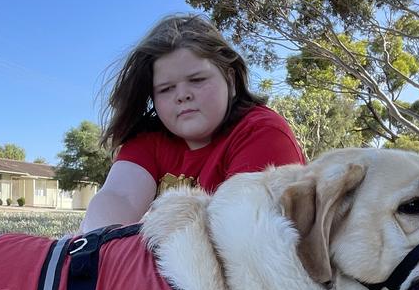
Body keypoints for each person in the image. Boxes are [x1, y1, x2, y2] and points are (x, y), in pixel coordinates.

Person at [80, 14, 305, 233]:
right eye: (166, 89)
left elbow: (244, 235)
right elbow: (120, 198)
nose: (182, 95)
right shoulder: (148, 140)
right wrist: (99, 247)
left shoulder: (263, 132)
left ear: (231, 80)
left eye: (197, 80)